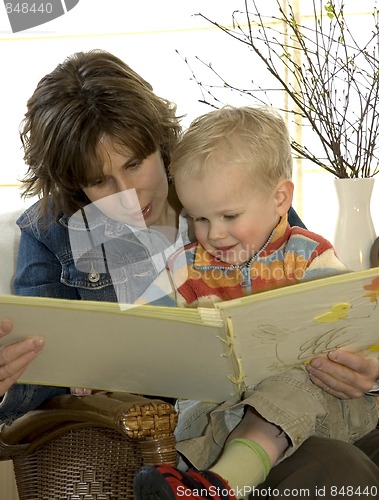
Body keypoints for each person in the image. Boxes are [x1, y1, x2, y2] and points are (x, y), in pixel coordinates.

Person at [0, 50, 378, 498]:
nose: (127, 195)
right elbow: (33, 388)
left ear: (160, 143)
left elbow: (315, 310)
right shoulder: (53, 234)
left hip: (285, 403)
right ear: (73, 184)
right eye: (99, 182)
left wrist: (364, 372)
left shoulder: (223, 180)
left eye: (135, 163)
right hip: (179, 436)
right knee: (338, 468)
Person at [133, 106, 379, 500]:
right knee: (202, 418)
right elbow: (138, 329)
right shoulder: (185, 268)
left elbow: (356, 331)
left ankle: (223, 484)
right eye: (198, 218)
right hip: (221, 415)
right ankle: (199, 483)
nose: (213, 234)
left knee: (290, 381)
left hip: (317, 406)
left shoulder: (310, 256)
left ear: (280, 198)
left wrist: (361, 362)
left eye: (229, 215)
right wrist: (98, 371)